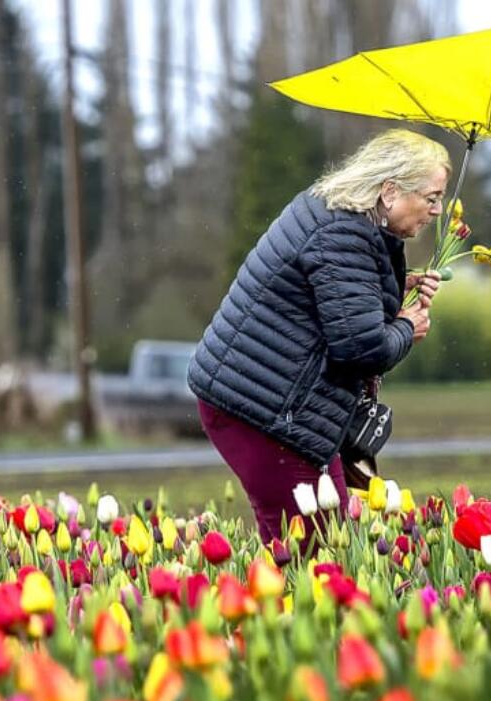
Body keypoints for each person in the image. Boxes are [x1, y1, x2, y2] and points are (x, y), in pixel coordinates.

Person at [187, 128, 446, 543]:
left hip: (267, 401)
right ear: (391, 190)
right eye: (431, 198)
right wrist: (405, 327)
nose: (437, 210)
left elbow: (334, 305)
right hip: (264, 412)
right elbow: (359, 348)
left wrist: (393, 288)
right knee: (311, 548)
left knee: (327, 538)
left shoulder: (336, 213)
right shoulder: (344, 235)